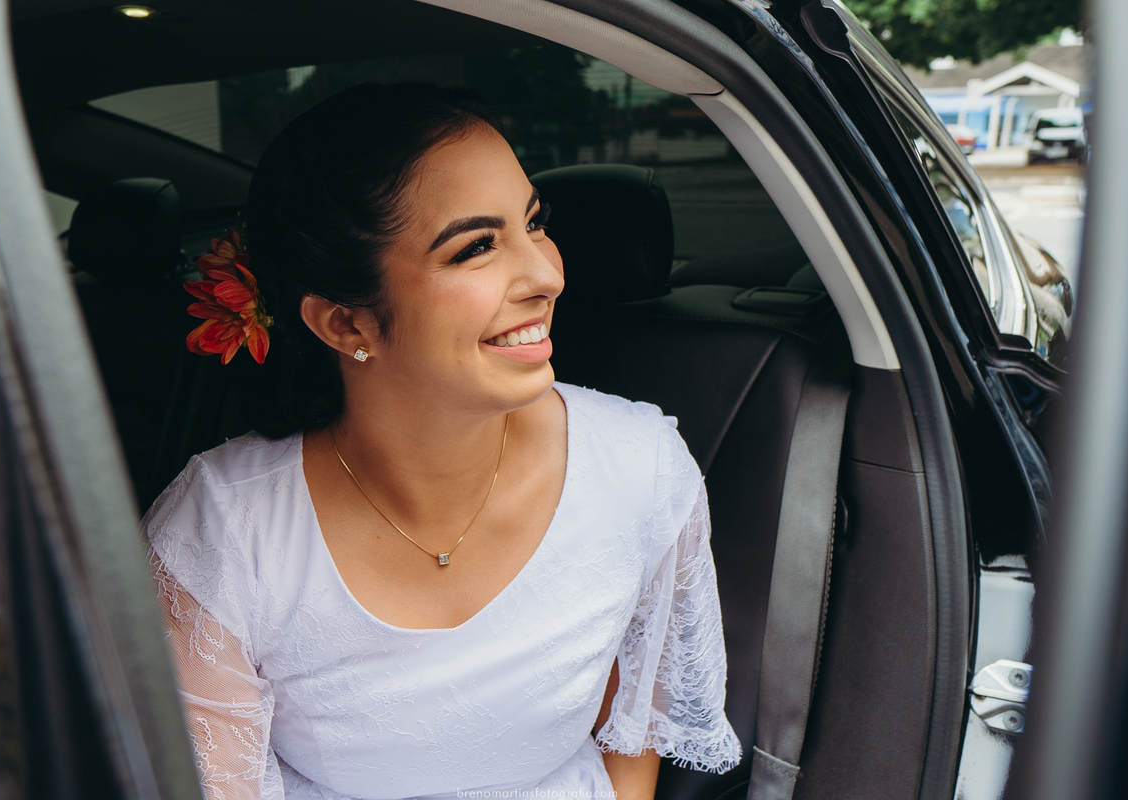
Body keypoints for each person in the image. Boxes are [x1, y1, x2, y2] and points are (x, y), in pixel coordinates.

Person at [144, 82, 741, 800]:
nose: (548, 274)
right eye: (478, 247)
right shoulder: (222, 536)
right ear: (345, 324)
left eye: (536, 222)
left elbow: (634, 728)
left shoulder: (639, 470)